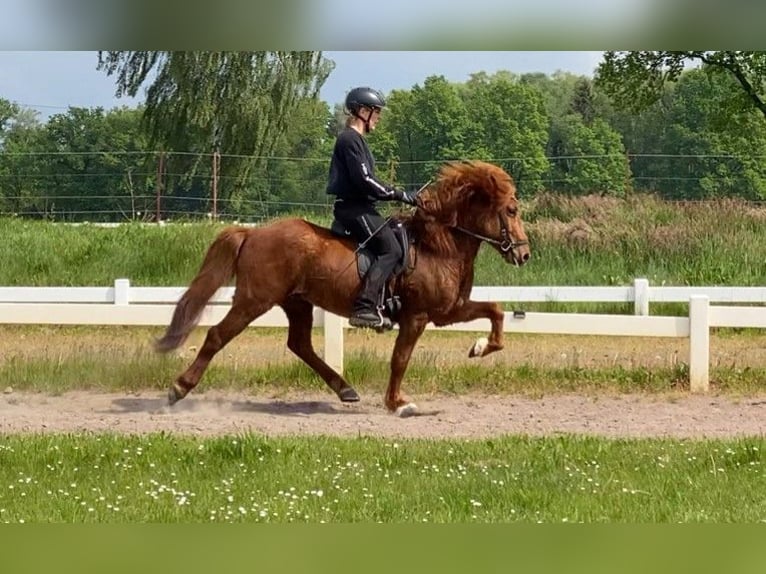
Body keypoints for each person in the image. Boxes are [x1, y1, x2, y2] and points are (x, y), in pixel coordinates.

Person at [327, 86, 419, 330]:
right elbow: (365, 180)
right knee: (390, 249)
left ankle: (384, 302)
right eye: (376, 112)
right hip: (353, 209)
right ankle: (364, 306)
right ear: (362, 111)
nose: (378, 117)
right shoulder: (349, 139)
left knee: (397, 235)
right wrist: (401, 195)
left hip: (363, 207)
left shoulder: (358, 141)